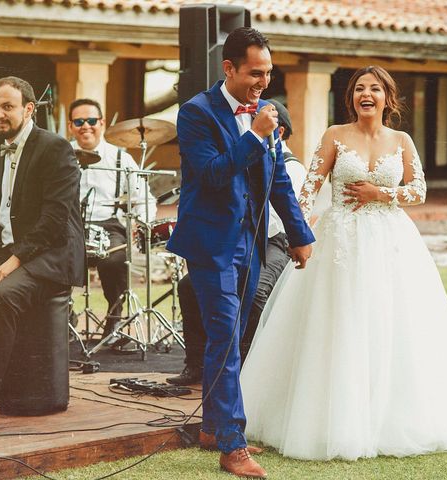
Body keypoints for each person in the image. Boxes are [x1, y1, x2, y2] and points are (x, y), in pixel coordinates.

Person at [240, 66, 447, 461]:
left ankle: (388, 415)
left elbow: (418, 190)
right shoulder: (334, 135)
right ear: (351, 98)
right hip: (340, 243)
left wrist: (379, 193)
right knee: (338, 321)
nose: (366, 94)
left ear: (387, 97)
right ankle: (330, 415)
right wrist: (300, 231)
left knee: (391, 321)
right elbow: (307, 190)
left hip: (389, 241)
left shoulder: (401, 140)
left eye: (375, 89)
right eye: (359, 89)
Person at [166, 28, 314, 479]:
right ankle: (232, 446)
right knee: (228, 339)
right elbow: (211, 174)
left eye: (268, 73)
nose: (262, 82)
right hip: (211, 244)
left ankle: (213, 426)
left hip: (251, 243)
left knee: (225, 337)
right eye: (254, 73)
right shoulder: (195, 113)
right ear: (228, 68)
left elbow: (280, 181)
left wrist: (299, 233)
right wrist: (254, 136)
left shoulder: (263, 114)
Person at [0, 76, 84, 435]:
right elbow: (3, 216)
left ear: (29, 109)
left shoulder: (55, 148)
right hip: (11, 253)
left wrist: (17, 260)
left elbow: (55, 221)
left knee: (1, 296)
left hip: (50, 257)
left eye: (7, 107)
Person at [168, 99, 306, 386]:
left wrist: (299, 237)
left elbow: (284, 203)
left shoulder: (291, 167)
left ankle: (247, 368)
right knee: (188, 286)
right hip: (237, 238)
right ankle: (195, 364)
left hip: (273, 242)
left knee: (252, 294)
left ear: (279, 133)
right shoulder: (243, 144)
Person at [68, 99, 157, 343]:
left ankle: (114, 320)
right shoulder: (61, 156)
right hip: (71, 224)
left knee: (116, 258)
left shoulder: (121, 158)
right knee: (54, 257)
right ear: (70, 126)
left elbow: (144, 198)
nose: (86, 126)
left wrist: (142, 222)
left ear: (102, 123)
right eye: (79, 122)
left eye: (92, 121)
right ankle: (65, 317)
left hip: (109, 224)